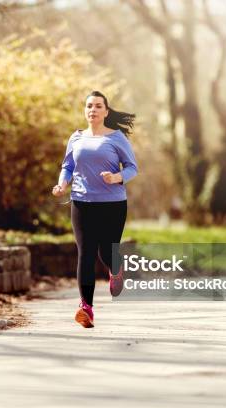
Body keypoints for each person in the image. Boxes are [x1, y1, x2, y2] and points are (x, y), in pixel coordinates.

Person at [52, 90, 138, 328]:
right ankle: (86, 308)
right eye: (89, 106)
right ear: (85, 110)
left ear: (106, 111)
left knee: (106, 251)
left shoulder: (116, 138)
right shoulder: (76, 138)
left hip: (112, 203)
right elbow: (67, 166)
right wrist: (62, 184)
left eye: (98, 106)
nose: (93, 109)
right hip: (81, 201)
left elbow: (132, 168)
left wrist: (116, 177)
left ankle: (115, 269)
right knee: (85, 253)